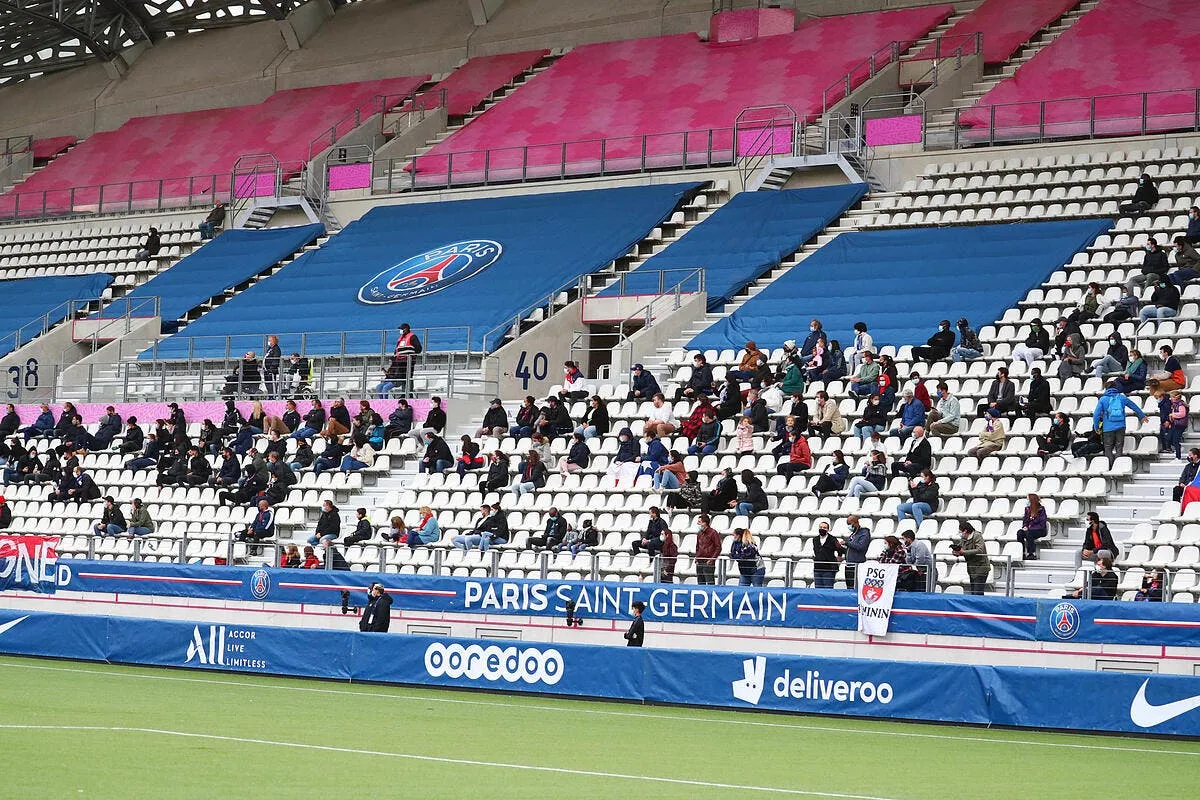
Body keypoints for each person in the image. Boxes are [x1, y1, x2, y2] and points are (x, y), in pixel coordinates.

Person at [1092, 380, 1146, 463]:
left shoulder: (1103, 399)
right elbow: (1134, 406)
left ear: (1106, 388)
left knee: (1108, 447)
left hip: (1108, 428)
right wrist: (1142, 416)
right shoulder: (1122, 397)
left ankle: (1109, 466)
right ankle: (1118, 465)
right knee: (1119, 447)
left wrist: (1096, 427)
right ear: (1116, 387)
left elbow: (1096, 414)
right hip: (1121, 426)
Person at [377, 323, 421, 398]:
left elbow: (418, 348)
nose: (400, 330)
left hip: (408, 361)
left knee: (408, 377)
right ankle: (404, 393)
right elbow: (396, 350)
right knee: (402, 377)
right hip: (399, 361)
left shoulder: (412, 336)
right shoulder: (400, 338)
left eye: (401, 329)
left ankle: (408, 393)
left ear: (405, 329)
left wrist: (410, 355)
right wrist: (394, 358)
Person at [951, 520, 988, 595]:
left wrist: (963, 552)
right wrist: (957, 552)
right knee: (973, 592)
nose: (960, 534)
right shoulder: (964, 539)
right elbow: (961, 548)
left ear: (965, 531)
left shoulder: (977, 536)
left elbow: (980, 550)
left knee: (977, 593)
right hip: (972, 569)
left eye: (960, 532)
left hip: (981, 568)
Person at [1015, 493, 1049, 560]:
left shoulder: (1041, 509)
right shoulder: (1027, 509)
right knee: (1020, 533)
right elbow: (1025, 520)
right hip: (1030, 530)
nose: (1027, 501)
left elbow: (1042, 523)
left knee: (1029, 533)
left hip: (1040, 530)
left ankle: (1031, 553)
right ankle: (1022, 553)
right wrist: (1025, 526)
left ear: (1032, 500)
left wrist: (1030, 528)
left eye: (1028, 499)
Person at [812, 520, 844, 589]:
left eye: (824, 528)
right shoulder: (815, 539)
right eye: (821, 527)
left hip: (829, 569)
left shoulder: (833, 539)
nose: (822, 529)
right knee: (818, 589)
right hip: (817, 568)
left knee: (828, 589)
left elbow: (840, 549)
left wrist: (839, 557)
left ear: (828, 529)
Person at [841, 515, 871, 588]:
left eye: (850, 524)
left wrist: (847, 543)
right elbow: (851, 548)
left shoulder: (864, 533)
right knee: (849, 587)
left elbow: (861, 546)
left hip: (857, 565)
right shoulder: (853, 534)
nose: (849, 526)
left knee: (855, 587)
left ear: (855, 523)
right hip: (849, 565)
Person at [1160, 390, 1188, 459]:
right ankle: (1178, 448)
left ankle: (1178, 457)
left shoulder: (1181, 404)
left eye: (1171, 397)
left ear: (1175, 398)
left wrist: (1173, 415)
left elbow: (1182, 414)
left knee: (1175, 440)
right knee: (1169, 438)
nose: (1170, 399)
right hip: (1175, 424)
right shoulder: (1174, 404)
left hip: (1180, 425)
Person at [694, 515, 721, 585]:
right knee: (700, 583)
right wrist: (697, 557)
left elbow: (718, 548)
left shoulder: (713, 533)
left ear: (705, 523)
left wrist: (712, 560)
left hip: (708, 562)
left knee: (710, 582)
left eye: (699, 522)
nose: (698, 523)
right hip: (700, 561)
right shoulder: (699, 533)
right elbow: (697, 547)